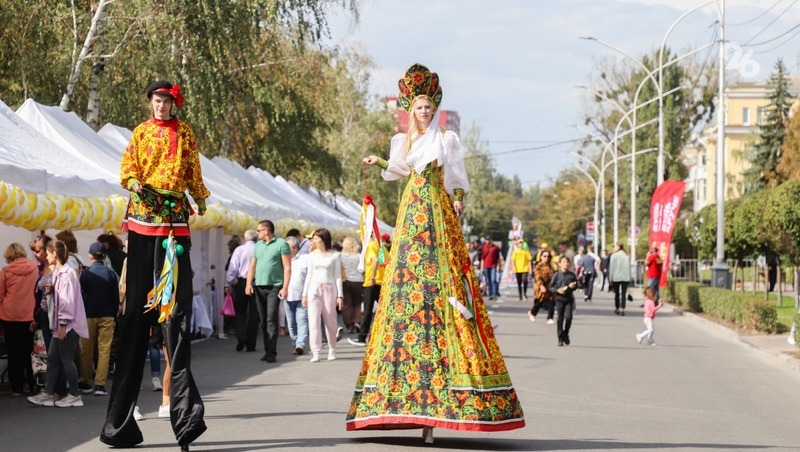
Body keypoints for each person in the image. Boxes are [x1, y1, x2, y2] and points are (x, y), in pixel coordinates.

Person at [351, 63, 525, 443]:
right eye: (418, 107)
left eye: (429, 106)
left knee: (445, 284)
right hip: (412, 212)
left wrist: (458, 200)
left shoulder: (446, 140)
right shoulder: (405, 140)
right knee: (403, 288)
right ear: (410, 110)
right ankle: (399, 399)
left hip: (437, 211)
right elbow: (398, 169)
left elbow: (457, 179)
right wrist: (377, 161)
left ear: (435, 109)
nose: (424, 111)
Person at [101, 80, 208, 451]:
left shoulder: (185, 132)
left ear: (174, 104)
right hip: (144, 216)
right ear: (150, 102)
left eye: (167, 101)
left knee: (174, 313)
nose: (161, 106)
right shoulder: (142, 132)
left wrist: (200, 196)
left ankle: (184, 415)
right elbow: (129, 163)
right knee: (135, 315)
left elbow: (192, 168)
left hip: (175, 221)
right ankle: (119, 424)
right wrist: (131, 179)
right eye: (157, 100)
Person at [28, 240, 89, 408]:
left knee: (66, 359)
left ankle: (75, 395)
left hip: (67, 324)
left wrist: (62, 323)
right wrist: (51, 291)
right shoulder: (60, 272)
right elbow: (62, 298)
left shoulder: (67, 273)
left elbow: (67, 301)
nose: (46, 257)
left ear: (54, 253)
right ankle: (48, 393)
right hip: (62, 324)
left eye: (47, 253)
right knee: (54, 358)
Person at [245, 220, 291, 363]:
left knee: (271, 318)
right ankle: (267, 349)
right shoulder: (258, 246)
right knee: (264, 321)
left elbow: (287, 267)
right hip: (259, 286)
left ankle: (272, 352)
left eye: (259, 230)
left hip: (274, 286)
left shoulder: (281, 244)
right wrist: (248, 284)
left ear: (266, 231)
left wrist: (285, 287)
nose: (257, 233)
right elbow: (252, 266)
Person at [77, 242, 119, 396]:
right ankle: (100, 385)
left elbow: (81, 296)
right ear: (105, 256)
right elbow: (116, 297)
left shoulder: (86, 274)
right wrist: (114, 315)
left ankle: (84, 381)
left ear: (90, 256)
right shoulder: (110, 274)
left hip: (89, 315)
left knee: (87, 350)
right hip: (107, 314)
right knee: (104, 350)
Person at [0, 242, 39, 396]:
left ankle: (17, 386)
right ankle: (32, 383)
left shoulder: (5, 272)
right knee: (30, 351)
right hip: (31, 316)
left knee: (14, 351)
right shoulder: (36, 268)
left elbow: (0, 294)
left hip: (10, 316)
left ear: (10, 256)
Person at [302, 228, 343, 363]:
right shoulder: (312, 255)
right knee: (313, 321)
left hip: (329, 288)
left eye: (315, 238)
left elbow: (337, 277)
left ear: (323, 239)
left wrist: (340, 296)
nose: (313, 240)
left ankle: (332, 348)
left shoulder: (335, 255)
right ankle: (316, 351)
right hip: (314, 288)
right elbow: (309, 275)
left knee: (330, 321)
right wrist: (304, 294)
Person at [347, 234, 386, 347]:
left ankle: (362, 337)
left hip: (372, 282)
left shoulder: (370, 246)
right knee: (382, 310)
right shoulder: (381, 246)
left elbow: (374, 260)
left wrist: (372, 276)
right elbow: (383, 262)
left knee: (367, 311)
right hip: (381, 281)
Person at [226, 229, 259, 352]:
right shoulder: (260, 248)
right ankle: (251, 343)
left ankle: (241, 337)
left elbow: (233, 267)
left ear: (245, 239)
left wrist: (228, 283)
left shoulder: (239, 250)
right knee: (254, 314)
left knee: (240, 311)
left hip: (241, 282)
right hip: (257, 282)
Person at [284, 236, 309, 356]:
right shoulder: (282, 260)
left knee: (302, 320)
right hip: (287, 296)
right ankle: (295, 342)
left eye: (286, 247)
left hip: (302, 295)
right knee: (291, 323)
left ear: (294, 248)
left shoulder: (305, 259)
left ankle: (300, 344)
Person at [549, 255, 578, 346]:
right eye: (564, 262)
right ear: (560, 264)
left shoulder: (571, 275)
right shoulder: (556, 275)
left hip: (569, 299)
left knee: (569, 317)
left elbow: (576, 285)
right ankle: (560, 338)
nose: (566, 264)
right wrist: (557, 290)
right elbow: (551, 287)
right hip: (559, 299)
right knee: (560, 319)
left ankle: (566, 333)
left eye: (567, 262)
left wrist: (573, 286)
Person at [340, 237, 363, 333]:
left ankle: (349, 325)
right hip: (358, 280)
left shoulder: (341, 256)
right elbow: (362, 269)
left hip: (346, 281)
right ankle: (357, 321)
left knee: (347, 304)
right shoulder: (359, 256)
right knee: (358, 302)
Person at [530, 249, 555, 324]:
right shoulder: (538, 266)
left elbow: (553, 276)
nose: (546, 258)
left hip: (549, 286)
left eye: (548, 256)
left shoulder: (550, 266)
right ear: (541, 257)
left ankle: (550, 318)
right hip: (540, 286)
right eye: (544, 256)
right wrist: (541, 285)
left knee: (551, 300)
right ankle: (532, 313)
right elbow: (537, 277)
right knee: (540, 300)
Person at [609, 242, 632, 316]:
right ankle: (622, 308)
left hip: (616, 277)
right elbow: (629, 267)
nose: (614, 248)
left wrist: (610, 278)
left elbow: (611, 268)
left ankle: (617, 308)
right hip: (625, 277)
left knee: (617, 293)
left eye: (615, 246)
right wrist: (629, 277)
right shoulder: (626, 255)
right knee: (623, 293)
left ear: (619, 247)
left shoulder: (613, 256)